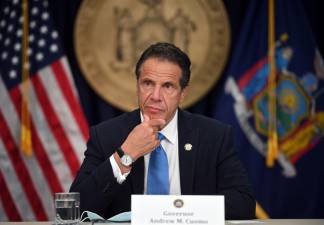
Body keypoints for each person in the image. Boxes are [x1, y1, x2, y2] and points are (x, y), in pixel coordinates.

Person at [70, 42, 255, 220]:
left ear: (183, 94)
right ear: (137, 86)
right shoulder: (106, 135)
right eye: (148, 83)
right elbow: (76, 208)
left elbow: (243, 204)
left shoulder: (214, 136)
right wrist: (125, 155)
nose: (155, 96)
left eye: (167, 86)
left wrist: (176, 212)